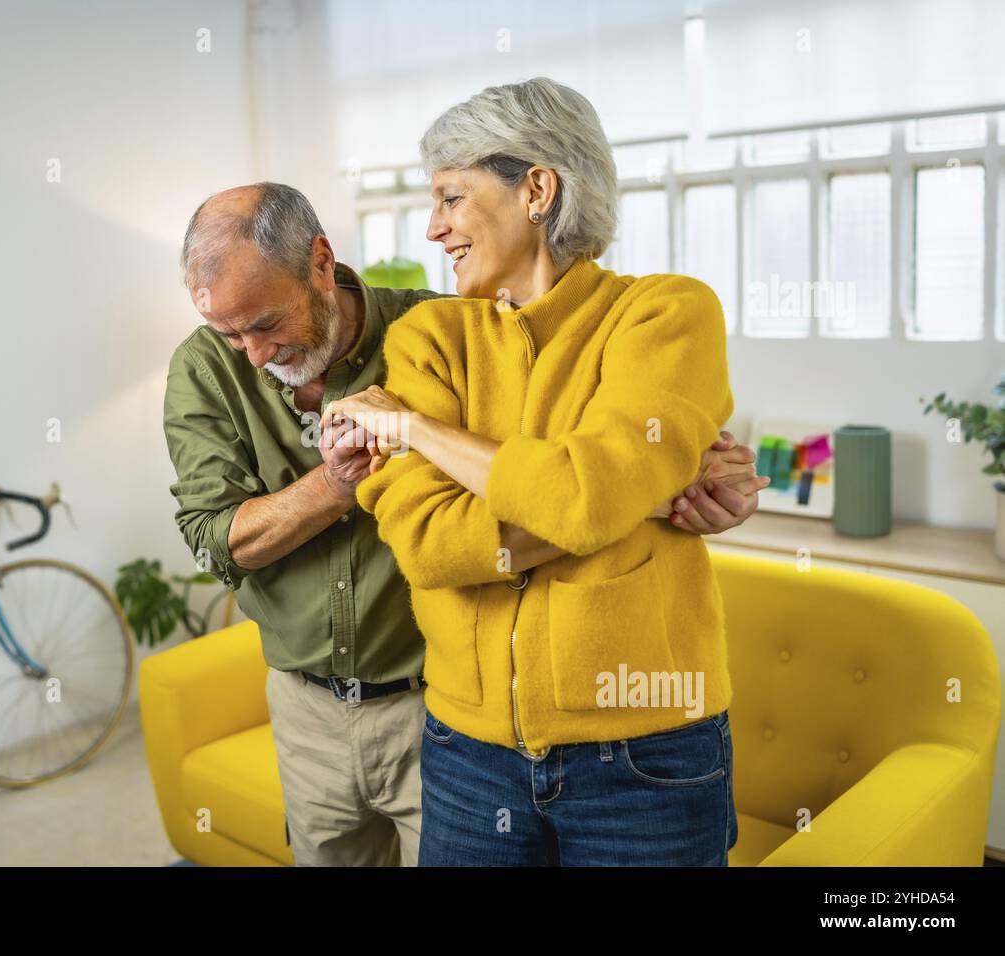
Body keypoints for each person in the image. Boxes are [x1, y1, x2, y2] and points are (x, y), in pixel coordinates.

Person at [165, 181, 767, 866]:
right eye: (229, 332)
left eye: (267, 325)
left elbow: (576, 479)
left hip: (441, 709)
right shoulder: (204, 370)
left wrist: (656, 487)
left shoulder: (441, 332)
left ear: (321, 263)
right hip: (308, 709)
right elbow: (219, 543)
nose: (253, 353)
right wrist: (338, 481)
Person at [323, 78, 753, 866]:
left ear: (537, 189)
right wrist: (640, 497)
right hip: (468, 752)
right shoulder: (429, 338)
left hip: (647, 752)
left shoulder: (667, 315)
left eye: (452, 197)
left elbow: (586, 497)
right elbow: (427, 544)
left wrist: (418, 428)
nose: (433, 227)